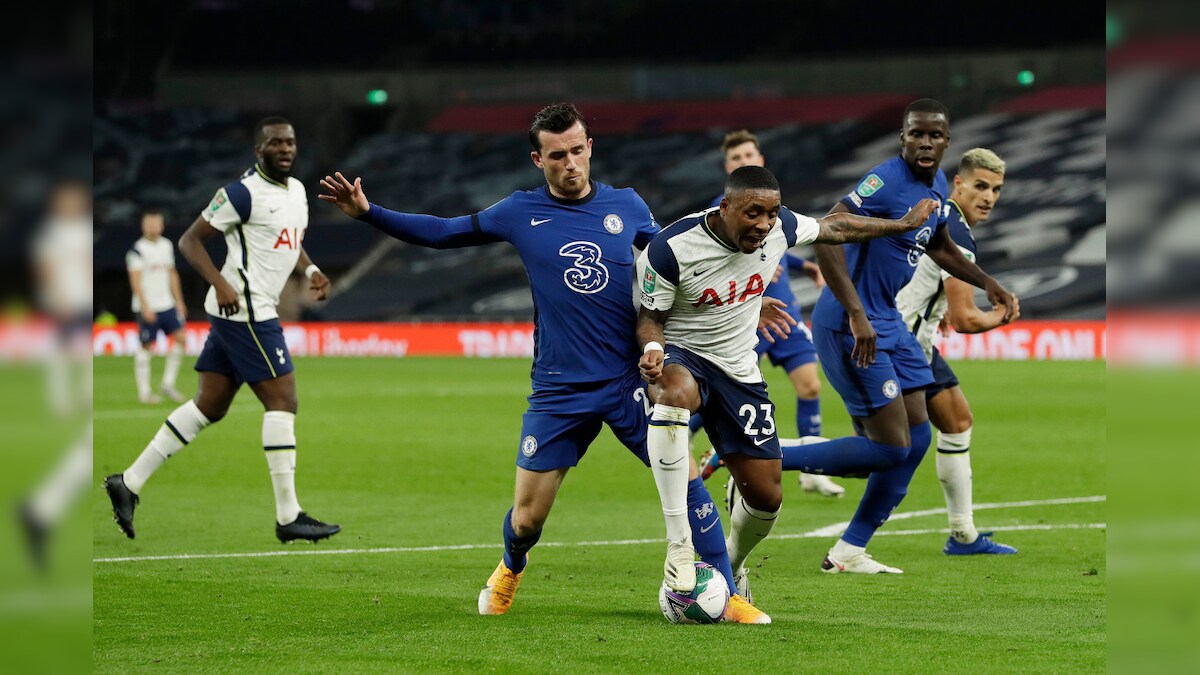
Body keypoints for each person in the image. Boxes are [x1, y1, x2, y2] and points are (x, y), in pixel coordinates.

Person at [318, 103, 772, 623]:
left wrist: (746, 298)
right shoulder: (518, 212)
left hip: (628, 379)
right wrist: (369, 212)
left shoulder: (628, 206)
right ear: (539, 159)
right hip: (559, 389)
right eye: (558, 155)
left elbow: (673, 270)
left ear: (590, 149)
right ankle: (511, 566)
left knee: (687, 477)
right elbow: (444, 232)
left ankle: (726, 591)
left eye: (578, 150)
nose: (571, 163)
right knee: (529, 518)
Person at [636, 164, 939, 610]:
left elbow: (837, 226)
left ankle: (730, 569)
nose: (763, 225)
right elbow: (650, 319)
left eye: (772, 214)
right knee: (673, 394)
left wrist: (905, 224)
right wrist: (653, 352)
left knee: (767, 497)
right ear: (725, 207)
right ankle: (680, 546)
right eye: (752, 213)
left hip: (740, 369)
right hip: (686, 354)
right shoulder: (671, 248)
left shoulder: (782, 227)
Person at [104, 117, 340, 544]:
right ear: (259, 150)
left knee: (208, 406)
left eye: (290, 141)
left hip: (242, 312)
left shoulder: (297, 192)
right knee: (283, 400)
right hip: (247, 311)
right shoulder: (240, 193)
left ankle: (129, 482)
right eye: (275, 143)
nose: (285, 148)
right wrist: (220, 281)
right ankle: (289, 515)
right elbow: (190, 241)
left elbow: (289, 240)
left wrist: (312, 269)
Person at [808, 99, 1015, 574]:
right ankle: (761, 458)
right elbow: (826, 231)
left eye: (935, 136)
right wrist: (857, 313)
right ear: (902, 137)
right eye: (916, 134)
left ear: (947, 142)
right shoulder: (885, 181)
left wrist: (989, 282)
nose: (925, 142)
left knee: (916, 438)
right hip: (858, 323)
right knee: (887, 448)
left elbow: (939, 244)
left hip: (892, 326)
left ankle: (849, 550)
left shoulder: (937, 185)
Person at [693, 130, 844, 498]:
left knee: (809, 384)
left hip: (785, 313)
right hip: (746, 318)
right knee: (719, 396)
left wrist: (799, 266)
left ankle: (811, 470)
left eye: (749, 153)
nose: (743, 160)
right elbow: (713, 260)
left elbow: (777, 242)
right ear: (727, 167)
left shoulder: (775, 207)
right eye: (735, 157)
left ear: (761, 158)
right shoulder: (723, 208)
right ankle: (675, 429)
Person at [895, 147, 1019, 555]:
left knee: (957, 420)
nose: (989, 197)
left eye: (996, 189)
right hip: (902, 345)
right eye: (981, 186)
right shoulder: (958, 233)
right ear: (959, 184)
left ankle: (963, 533)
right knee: (886, 452)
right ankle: (773, 456)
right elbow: (967, 319)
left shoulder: (939, 217)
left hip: (913, 339)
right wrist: (1004, 313)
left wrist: (937, 309)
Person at [126, 209, 188, 404]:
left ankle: (167, 384)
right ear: (143, 226)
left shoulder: (166, 246)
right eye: (150, 223)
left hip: (167, 304)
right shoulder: (137, 250)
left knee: (181, 339)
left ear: (161, 225)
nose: (154, 227)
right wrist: (145, 306)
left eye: (157, 223)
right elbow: (135, 281)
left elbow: (172, 273)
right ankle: (144, 392)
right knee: (146, 346)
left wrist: (179, 301)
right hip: (148, 306)